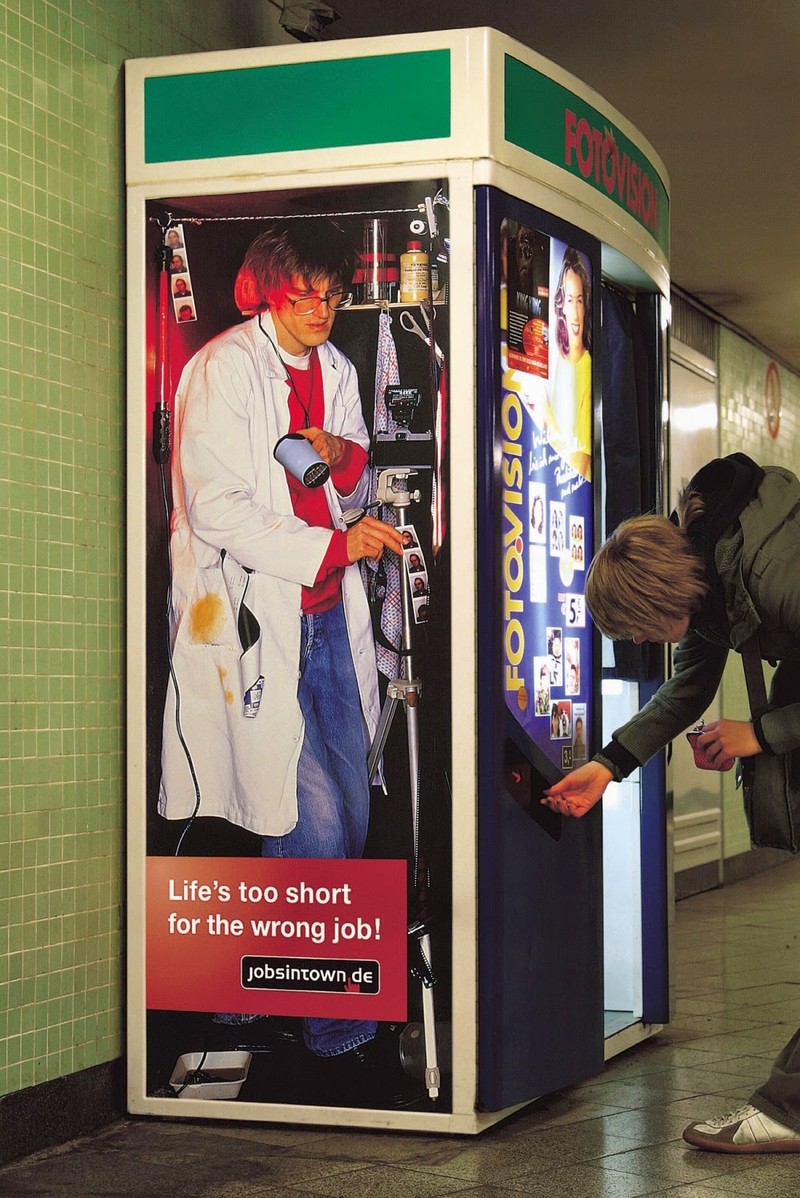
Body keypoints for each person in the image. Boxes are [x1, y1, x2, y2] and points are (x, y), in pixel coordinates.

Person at [159, 218, 404, 1088]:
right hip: (251, 624)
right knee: (310, 819)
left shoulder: (334, 370)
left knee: (350, 807)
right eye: (304, 295)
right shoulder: (222, 368)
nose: (320, 311)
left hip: (326, 619)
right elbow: (216, 506)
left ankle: (246, 1002)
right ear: (269, 289)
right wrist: (334, 544)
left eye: (332, 296)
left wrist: (344, 462)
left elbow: (342, 485)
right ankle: (337, 1032)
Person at [542, 452, 800, 1153]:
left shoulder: (774, 573)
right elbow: (687, 688)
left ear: (661, 597)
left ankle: (789, 1111)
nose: (640, 642)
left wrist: (761, 734)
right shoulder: (710, 576)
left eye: (638, 627)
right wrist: (608, 764)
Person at [546, 246, 592, 480]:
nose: (574, 312)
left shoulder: (588, 368)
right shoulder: (556, 359)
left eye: (579, 301)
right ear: (561, 304)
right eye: (570, 300)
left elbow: (579, 466)